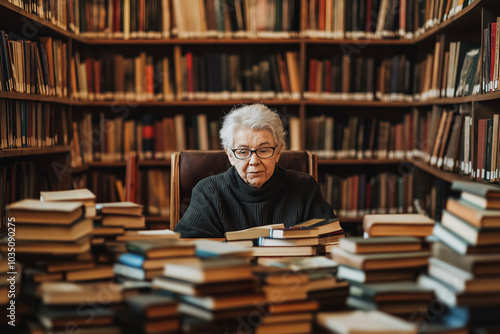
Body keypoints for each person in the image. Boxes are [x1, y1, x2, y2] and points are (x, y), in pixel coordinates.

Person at [174, 103, 337, 238]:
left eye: (264, 150)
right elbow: (186, 250)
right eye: (243, 152)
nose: (254, 161)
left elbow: (331, 243)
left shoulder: (305, 188)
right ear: (230, 155)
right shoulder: (208, 193)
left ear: (278, 152)